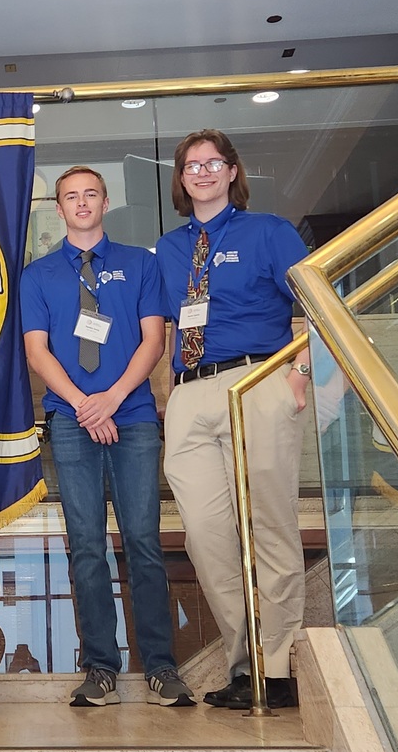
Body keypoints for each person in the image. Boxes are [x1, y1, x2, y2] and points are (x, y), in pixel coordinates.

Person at [21, 166, 192, 708]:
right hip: (71, 422)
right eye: (70, 196)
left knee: (143, 542)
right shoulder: (39, 274)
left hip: (134, 416)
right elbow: (37, 351)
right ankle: (100, 667)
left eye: (90, 193)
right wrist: (83, 405)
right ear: (58, 207)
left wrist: (111, 399)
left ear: (105, 200)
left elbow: (153, 341)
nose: (81, 203)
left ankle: (161, 667)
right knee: (87, 547)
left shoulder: (140, 264)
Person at [155, 129, 310, 710]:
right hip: (191, 394)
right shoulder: (168, 249)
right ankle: (245, 665)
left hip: (255, 381)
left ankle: (277, 669)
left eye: (212, 162)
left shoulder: (269, 232)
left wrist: (298, 374)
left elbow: (320, 304)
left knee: (269, 527)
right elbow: (164, 328)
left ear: (232, 170)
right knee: (206, 537)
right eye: (191, 164)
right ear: (181, 177)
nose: (202, 172)